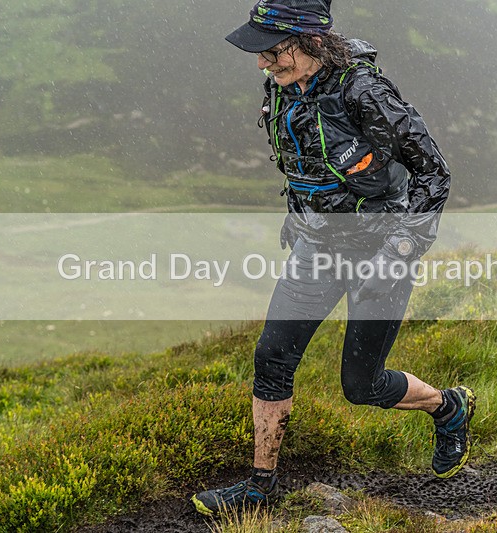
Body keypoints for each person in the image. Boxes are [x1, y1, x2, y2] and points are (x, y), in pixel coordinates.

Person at [192, 0, 476, 516]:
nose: (263, 63)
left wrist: (399, 252)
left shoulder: (363, 92)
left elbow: (434, 174)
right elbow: (304, 156)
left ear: (312, 43)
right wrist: (300, 214)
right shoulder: (283, 87)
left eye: (273, 51)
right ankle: (258, 489)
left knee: (361, 385)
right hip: (317, 246)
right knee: (271, 358)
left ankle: (447, 407)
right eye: (260, 53)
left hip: (381, 250)